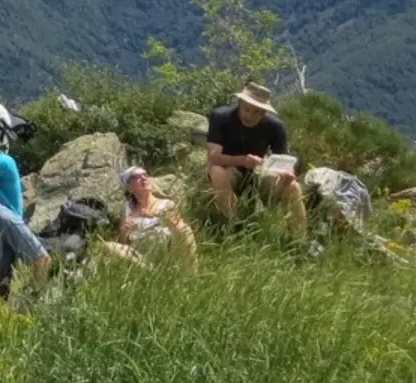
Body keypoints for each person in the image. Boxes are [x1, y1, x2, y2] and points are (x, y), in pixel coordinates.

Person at [205, 83, 305, 233]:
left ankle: (299, 240)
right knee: (217, 172)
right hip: (229, 169)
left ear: (264, 113)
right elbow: (213, 157)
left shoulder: (276, 127)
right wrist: (243, 160)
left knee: (293, 187)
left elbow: (282, 160)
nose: (249, 116)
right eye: (246, 109)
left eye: (257, 112)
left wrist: (286, 175)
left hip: (260, 172)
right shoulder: (221, 117)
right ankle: (234, 225)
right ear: (240, 104)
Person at [105, 165, 196, 262]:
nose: (143, 178)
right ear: (130, 188)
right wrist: (125, 232)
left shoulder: (167, 205)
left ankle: (191, 273)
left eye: (145, 175)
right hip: (139, 257)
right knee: (107, 246)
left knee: (185, 230)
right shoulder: (127, 210)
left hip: (166, 252)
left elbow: (180, 231)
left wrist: (169, 221)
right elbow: (123, 243)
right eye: (137, 177)